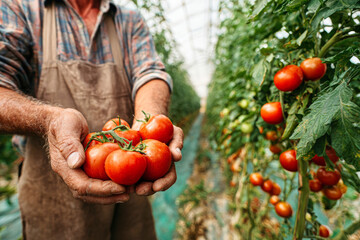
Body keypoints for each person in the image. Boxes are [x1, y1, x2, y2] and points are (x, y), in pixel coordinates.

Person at [0, 0, 183, 239]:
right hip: (52, 192)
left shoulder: (128, 18)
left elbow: (151, 73)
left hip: (133, 187)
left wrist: (150, 127)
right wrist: (48, 120)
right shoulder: (20, 8)